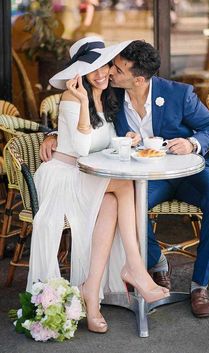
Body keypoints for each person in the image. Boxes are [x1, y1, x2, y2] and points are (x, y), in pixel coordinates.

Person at [41, 39, 209, 319]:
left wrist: (192, 143)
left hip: (190, 171)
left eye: (117, 69)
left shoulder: (181, 94)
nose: (109, 72)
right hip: (144, 175)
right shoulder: (111, 93)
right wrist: (54, 135)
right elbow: (80, 119)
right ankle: (157, 265)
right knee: (131, 204)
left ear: (138, 78)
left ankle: (198, 285)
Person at [27, 37, 169, 334]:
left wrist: (128, 139)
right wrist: (79, 105)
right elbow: (79, 148)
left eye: (105, 65)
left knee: (113, 201)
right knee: (125, 187)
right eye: (93, 68)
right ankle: (135, 268)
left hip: (88, 176)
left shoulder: (108, 96)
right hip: (64, 175)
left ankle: (91, 292)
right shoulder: (71, 98)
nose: (102, 73)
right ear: (79, 72)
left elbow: (103, 143)